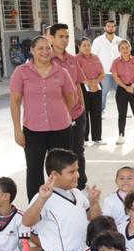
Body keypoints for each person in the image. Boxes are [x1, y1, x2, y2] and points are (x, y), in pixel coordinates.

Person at [9, 35, 77, 199]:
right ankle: (36, 205)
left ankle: (62, 203)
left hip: (61, 129)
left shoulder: (61, 72)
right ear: (32, 50)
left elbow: (71, 97)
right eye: (40, 48)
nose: (45, 51)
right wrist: (17, 130)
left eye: (48, 48)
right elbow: (15, 102)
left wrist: (61, 112)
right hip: (33, 130)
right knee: (34, 170)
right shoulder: (21, 72)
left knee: (62, 169)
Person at [49, 23, 90, 189]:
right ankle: (60, 186)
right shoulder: (46, 60)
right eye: (61, 36)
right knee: (60, 154)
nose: (64, 40)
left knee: (78, 151)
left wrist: (82, 108)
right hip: (57, 117)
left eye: (67, 36)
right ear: (51, 38)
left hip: (76, 113)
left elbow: (78, 84)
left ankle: (80, 184)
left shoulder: (73, 60)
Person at [110, 39, 134, 144]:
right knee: (122, 114)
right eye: (122, 48)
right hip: (122, 89)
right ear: (119, 50)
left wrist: (132, 86)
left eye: (127, 47)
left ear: (130, 48)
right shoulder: (115, 62)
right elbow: (115, 77)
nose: (125, 50)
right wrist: (125, 87)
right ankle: (121, 135)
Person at [91, 20, 121, 108]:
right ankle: (100, 111)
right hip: (104, 73)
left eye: (112, 26)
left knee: (121, 94)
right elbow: (93, 57)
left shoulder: (120, 41)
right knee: (103, 93)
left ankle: (122, 112)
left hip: (118, 73)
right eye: (108, 26)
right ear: (104, 28)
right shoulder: (98, 41)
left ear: (115, 28)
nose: (110, 28)